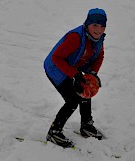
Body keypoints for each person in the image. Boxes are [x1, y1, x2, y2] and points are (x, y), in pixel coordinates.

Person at [43, 8, 107, 148]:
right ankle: (54, 132)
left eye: (102, 26)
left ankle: (86, 125)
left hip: (74, 63)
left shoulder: (98, 38)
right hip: (56, 67)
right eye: (95, 25)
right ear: (87, 24)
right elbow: (56, 58)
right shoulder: (75, 38)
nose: (99, 29)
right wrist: (75, 75)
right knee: (72, 100)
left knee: (86, 89)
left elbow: (99, 56)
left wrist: (92, 74)